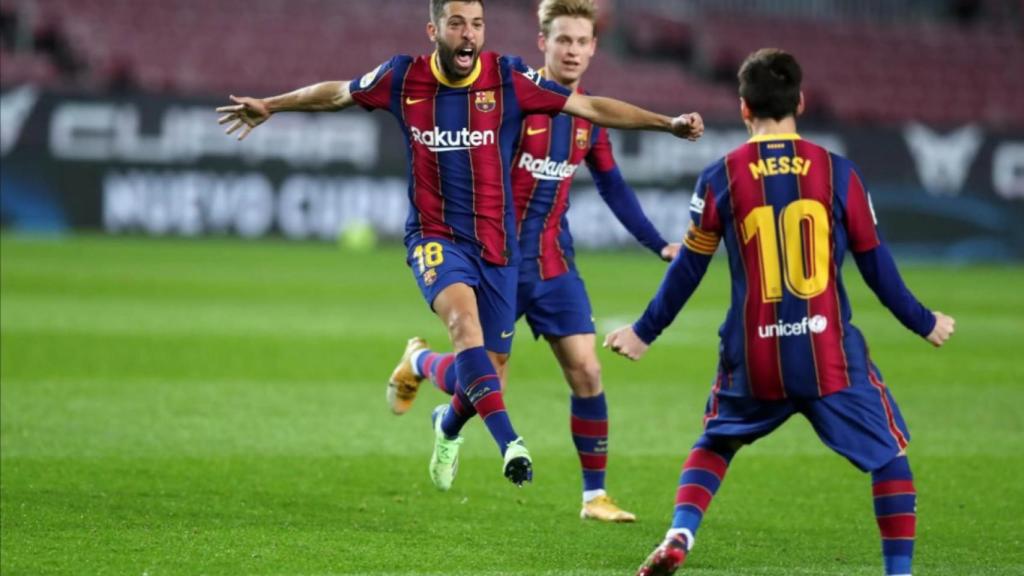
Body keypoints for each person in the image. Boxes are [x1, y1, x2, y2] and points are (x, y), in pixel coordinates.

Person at [217, 0, 703, 489]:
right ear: (434, 30)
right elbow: (337, 94)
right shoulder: (402, 78)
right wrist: (272, 105)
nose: (468, 34)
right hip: (435, 236)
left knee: (485, 377)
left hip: (496, 246)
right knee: (463, 326)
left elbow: (592, 108)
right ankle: (511, 444)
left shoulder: (507, 79)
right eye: (456, 24)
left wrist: (668, 123)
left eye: (477, 24)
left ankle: (425, 375)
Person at [603, 48, 955, 575]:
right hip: (827, 355)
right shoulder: (840, 173)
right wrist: (923, 320)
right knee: (888, 458)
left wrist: (643, 331)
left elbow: (689, 268)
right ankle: (898, 573)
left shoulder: (720, 176)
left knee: (716, 442)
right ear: (802, 102)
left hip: (755, 354)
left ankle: (680, 531)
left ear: (744, 108)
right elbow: (876, 265)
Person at [391, 0, 682, 522]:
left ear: (594, 47)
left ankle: (594, 497)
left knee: (588, 370)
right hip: (494, 254)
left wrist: (657, 242)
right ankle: (421, 364)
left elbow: (613, 184)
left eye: (581, 42)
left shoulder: (588, 117)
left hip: (552, 261)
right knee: (483, 381)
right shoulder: (510, 98)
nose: (572, 50)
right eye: (562, 40)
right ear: (543, 41)